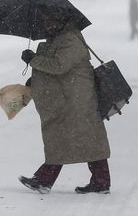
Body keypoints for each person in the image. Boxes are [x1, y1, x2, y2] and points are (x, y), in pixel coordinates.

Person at [18, 16, 111, 194]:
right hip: (69, 98)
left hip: (77, 100)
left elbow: (59, 65)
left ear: (62, 21)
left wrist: (33, 60)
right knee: (78, 139)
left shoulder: (70, 39)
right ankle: (100, 182)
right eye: (45, 21)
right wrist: (36, 79)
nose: (47, 23)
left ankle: (45, 180)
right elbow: (56, 70)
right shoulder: (57, 38)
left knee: (70, 138)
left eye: (51, 21)